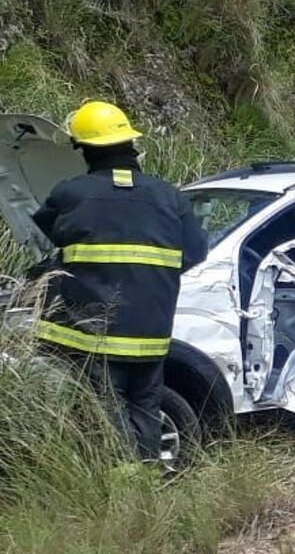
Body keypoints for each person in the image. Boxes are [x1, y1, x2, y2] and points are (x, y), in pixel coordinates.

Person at [32, 100, 208, 461]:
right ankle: (142, 481)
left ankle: (118, 487)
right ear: (132, 146)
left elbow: (46, 233)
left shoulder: (72, 193)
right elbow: (195, 251)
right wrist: (148, 276)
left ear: (85, 151)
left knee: (106, 411)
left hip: (97, 330)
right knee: (144, 408)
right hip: (151, 333)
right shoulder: (169, 197)